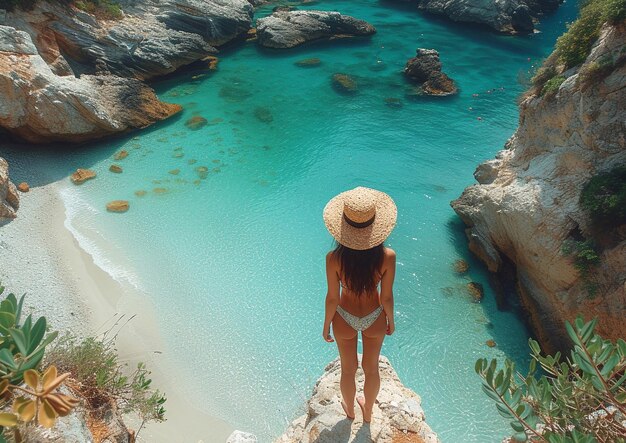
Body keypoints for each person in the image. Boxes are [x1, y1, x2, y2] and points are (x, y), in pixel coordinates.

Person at [322, 186, 397, 424]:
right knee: (371, 368)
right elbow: (386, 297)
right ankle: (368, 413)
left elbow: (333, 297)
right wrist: (391, 320)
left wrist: (325, 325)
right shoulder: (387, 256)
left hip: (344, 316)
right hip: (375, 316)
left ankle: (350, 411)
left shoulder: (334, 259)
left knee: (347, 369)